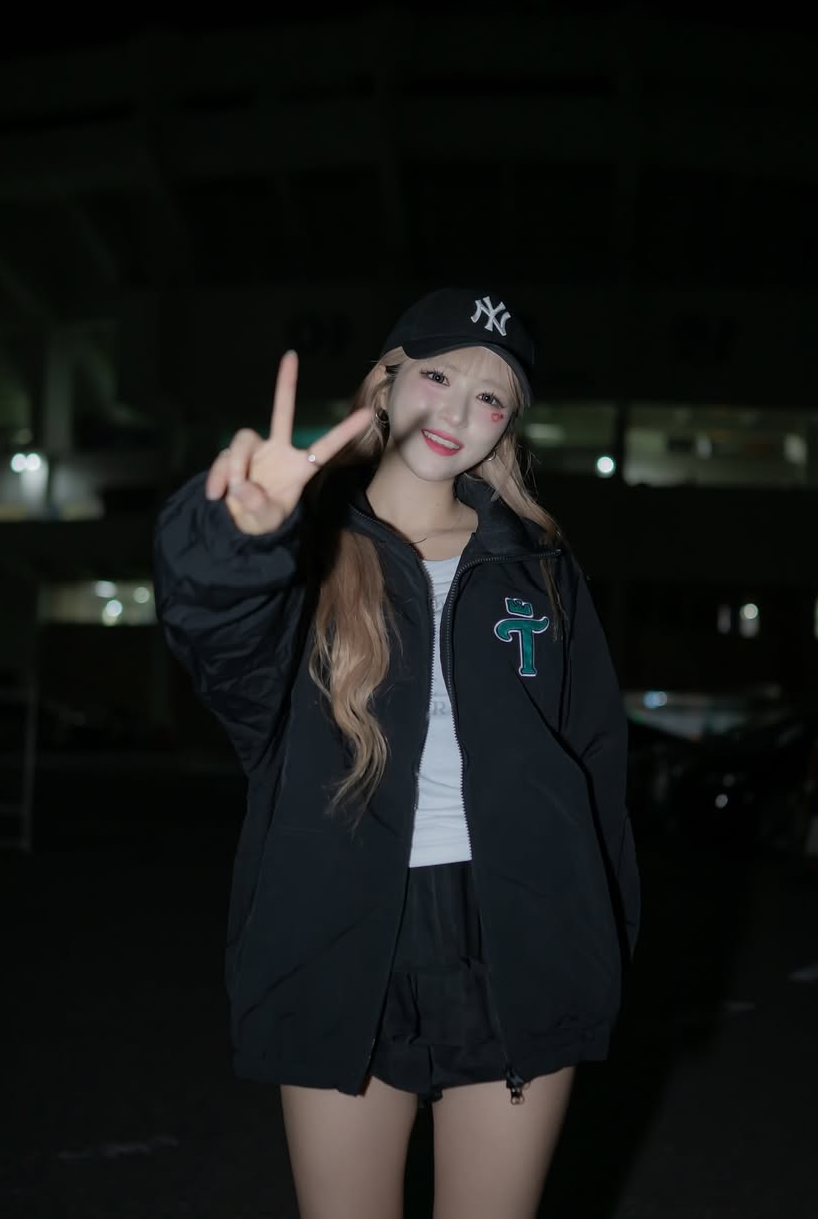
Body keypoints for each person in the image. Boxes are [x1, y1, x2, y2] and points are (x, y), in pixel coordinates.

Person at [153, 287, 640, 1219]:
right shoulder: (303, 554)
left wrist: (595, 946)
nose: (459, 411)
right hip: (338, 932)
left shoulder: (539, 566)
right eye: (439, 375)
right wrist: (242, 536)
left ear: (508, 425)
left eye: (491, 397)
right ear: (386, 380)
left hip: (519, 934)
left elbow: (596, 765)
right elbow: (217, 644)